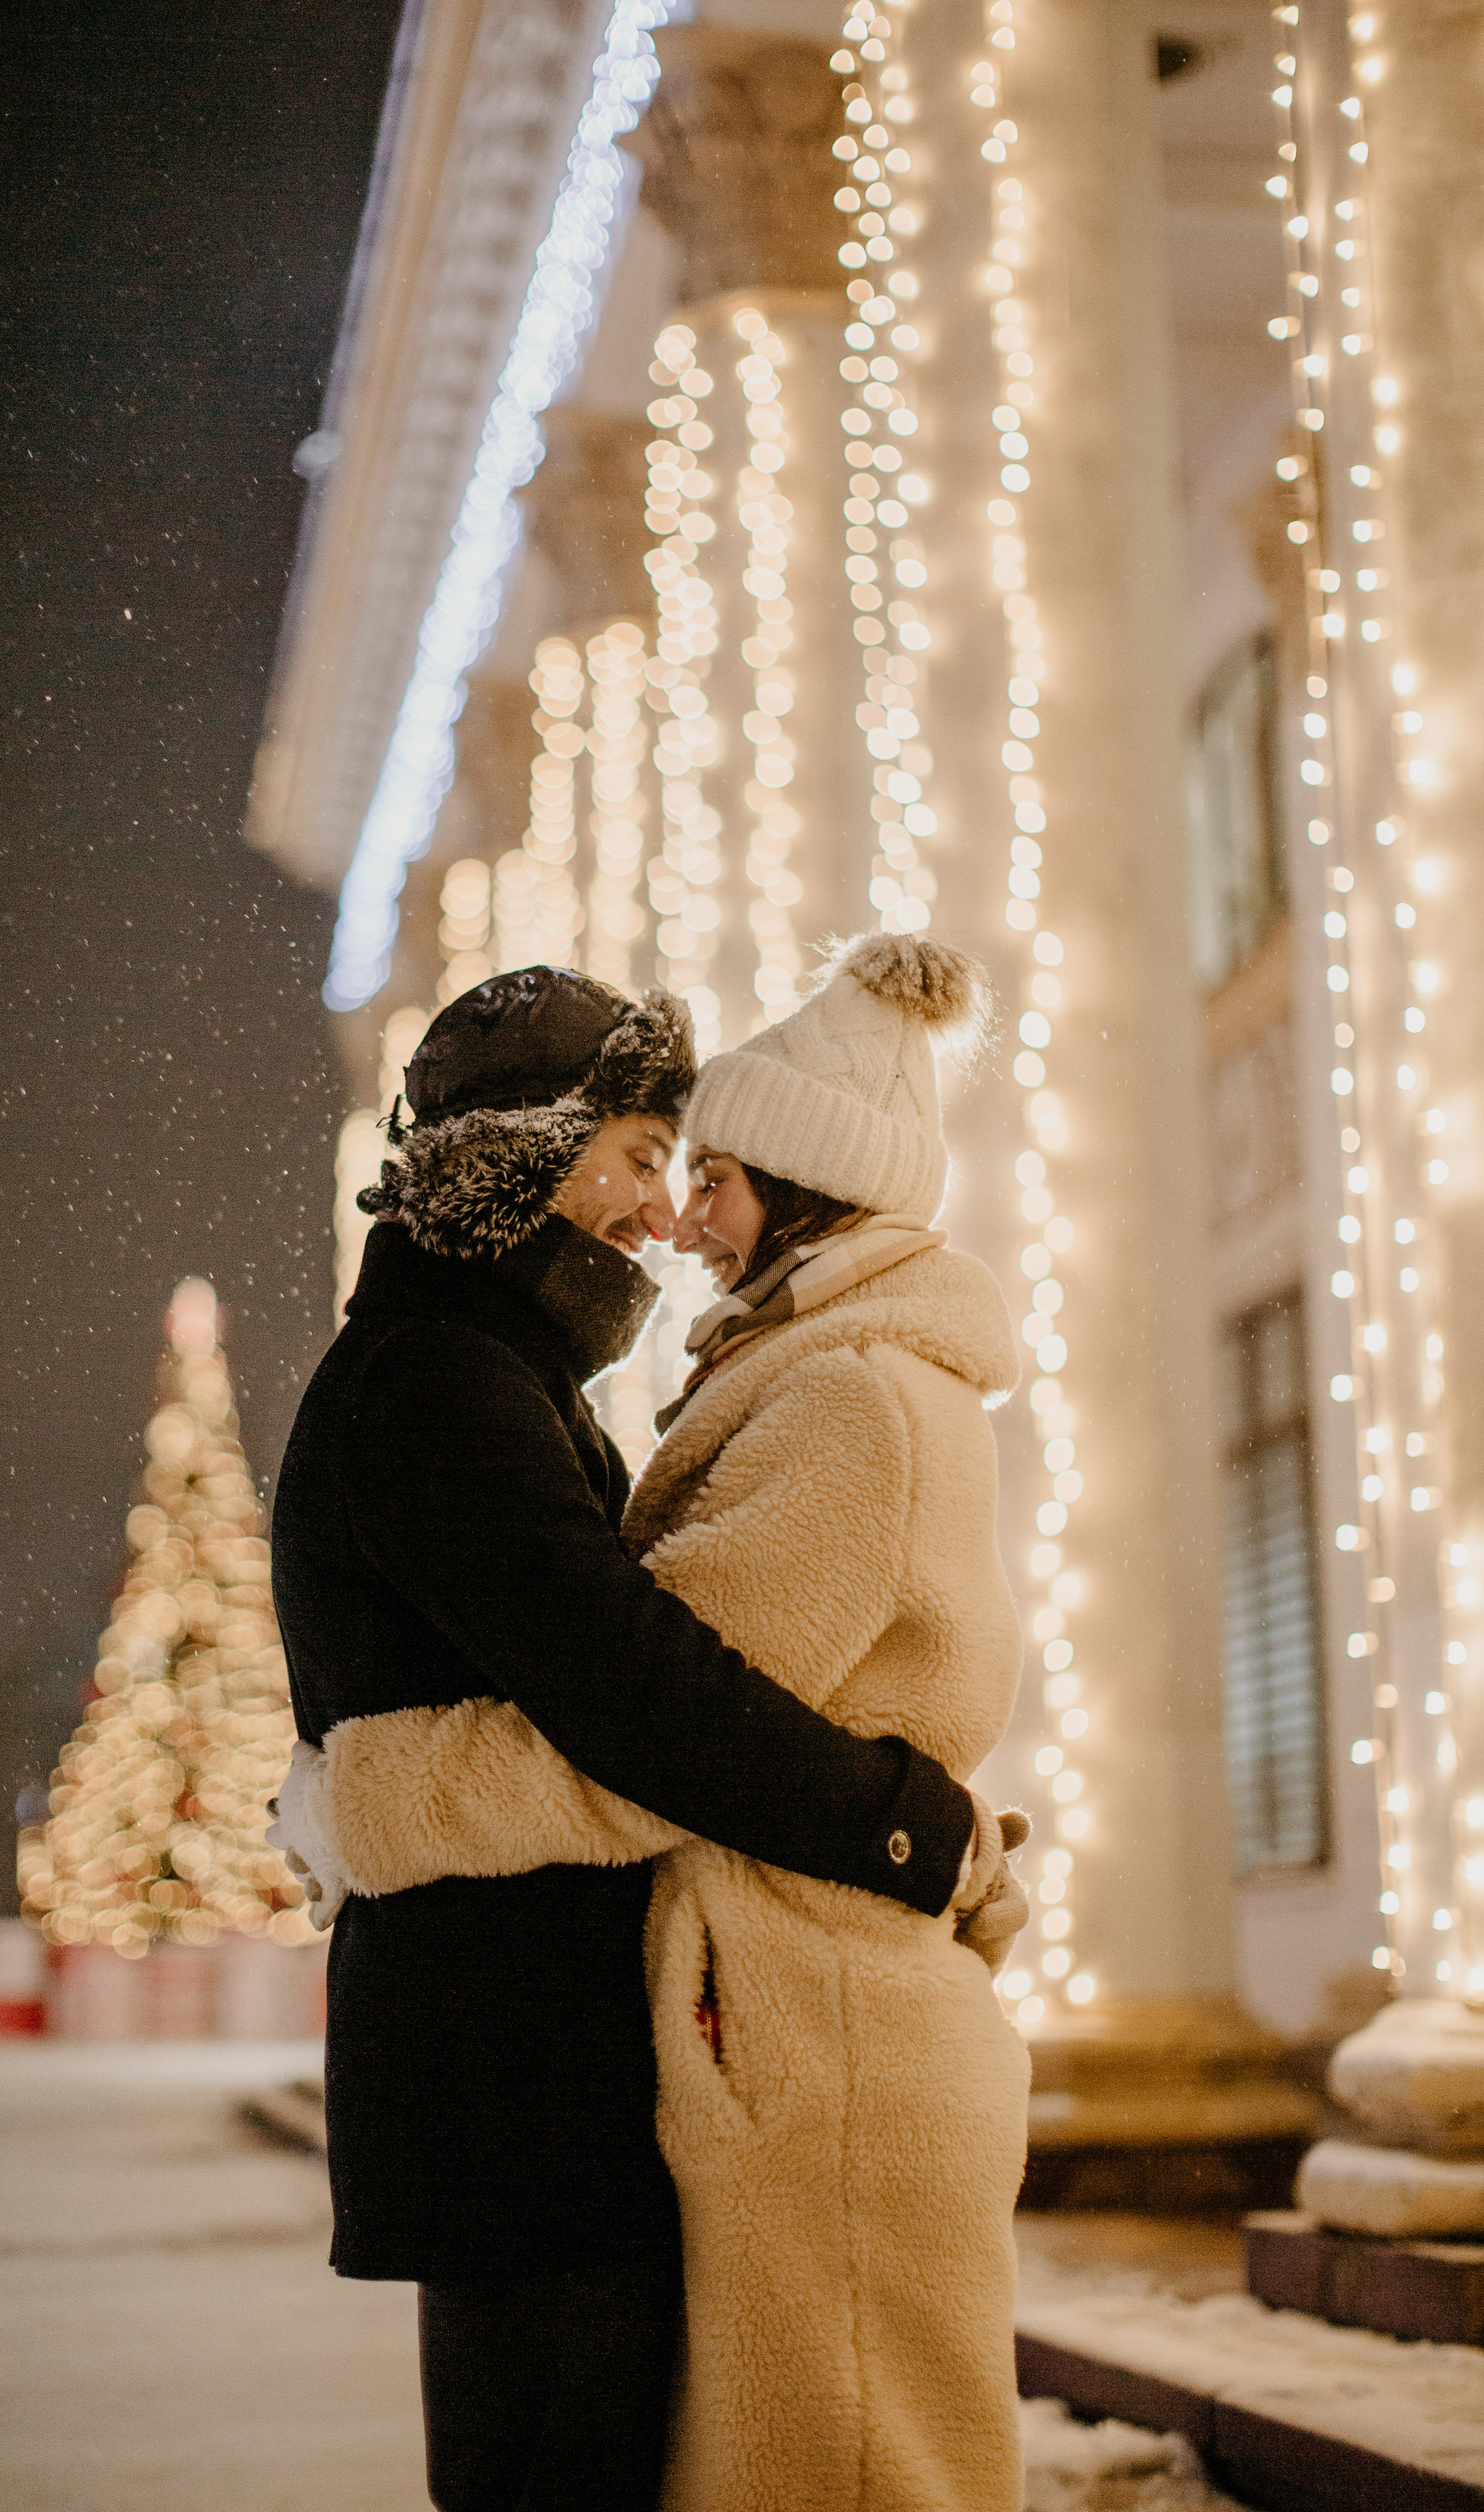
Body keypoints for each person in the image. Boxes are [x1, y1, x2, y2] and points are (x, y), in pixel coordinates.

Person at [288, 935, 1033, 2512]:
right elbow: (648, 1698)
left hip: (545, 2073)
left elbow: (653, 1690)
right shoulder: (439, 1383)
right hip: (517, 2083)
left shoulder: (504, 1373)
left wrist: (915, 1827)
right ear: (528, 1161)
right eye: (637, 1158)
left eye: (692, 1171)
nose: (661, 1213)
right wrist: (907, 1826)